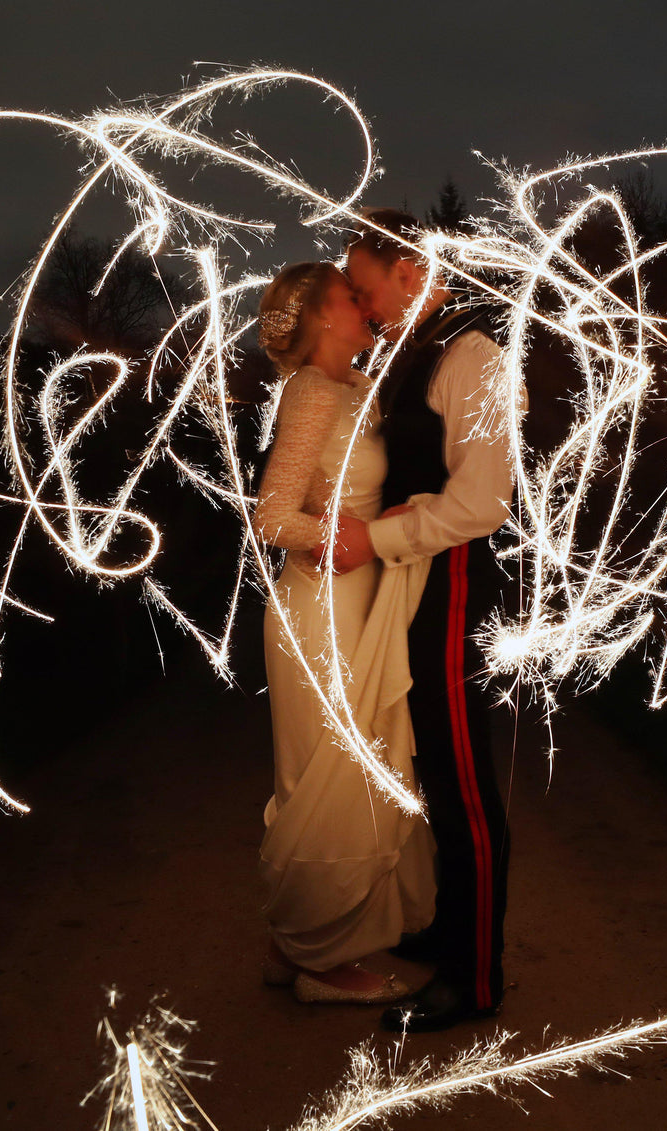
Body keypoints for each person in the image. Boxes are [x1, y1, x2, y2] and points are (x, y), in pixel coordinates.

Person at [330, 208, 516, 1031]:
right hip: (419, 584)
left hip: (454, 586)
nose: (360, 305)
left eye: (365, 287)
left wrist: (374, 538)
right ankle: (450, 928)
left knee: (463, 780)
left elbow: (482, 501)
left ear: (409, 268)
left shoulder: (471, 353)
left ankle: (474, 980)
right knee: (434, 769)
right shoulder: (416, 349)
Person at [252, 262, 436, 1005]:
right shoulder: (310, 392)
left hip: (359, 601)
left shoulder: (358, 386)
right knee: (330, 781)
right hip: (320, 608)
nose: (363, 306)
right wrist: (344, 535)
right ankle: (322, 963)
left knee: (345, 772)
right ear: (321, 316)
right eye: (348, 298)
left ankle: (291, 942)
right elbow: (272, 516)